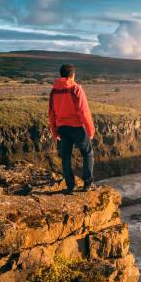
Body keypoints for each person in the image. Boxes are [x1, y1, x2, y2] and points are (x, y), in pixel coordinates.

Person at [48, 63, 95, 194]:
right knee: (88, 153)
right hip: (76, 128)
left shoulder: (54, 91)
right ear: (72, 75)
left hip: (62, 128)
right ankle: (87, 184)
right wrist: (90, 131)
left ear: (61, 75)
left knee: (66, 156)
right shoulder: (76, 89)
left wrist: (54, 131)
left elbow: (51, 113)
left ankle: (70, 185)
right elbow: (84, 111)